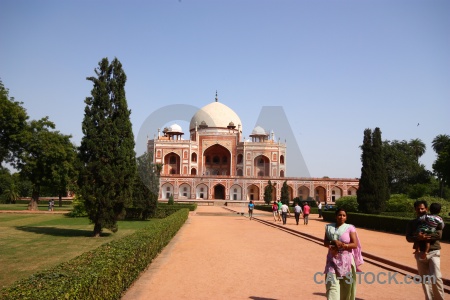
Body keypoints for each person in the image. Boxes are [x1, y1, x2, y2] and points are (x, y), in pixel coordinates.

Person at [406, 200, 445, 300]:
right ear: (415, 210)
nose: (420, 210)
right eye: (418, 208)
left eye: (422, 208)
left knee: (436, 278)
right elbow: (408, 237)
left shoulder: (434, 219)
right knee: (425, 280)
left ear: (426, 209)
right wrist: (417, 237)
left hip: (433, 251)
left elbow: (439, 234)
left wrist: (424, 236)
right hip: (420, 253)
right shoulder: (412, 223)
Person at [323, 208, 363, 300]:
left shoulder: (350, 228)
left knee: (346, 287)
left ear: (346, 217)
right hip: (332, 259)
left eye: (344, 215)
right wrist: (333, 241)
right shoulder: (329, 227)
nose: (341, 217)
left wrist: (343, 246)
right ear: (336, 216)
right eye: (339, 215)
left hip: (346, 260)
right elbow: (325, 242)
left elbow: (355, 244)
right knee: (331, 283)